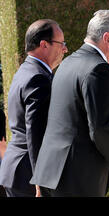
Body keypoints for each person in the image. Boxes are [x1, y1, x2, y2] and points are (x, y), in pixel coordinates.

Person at [30, 10, 109, 197]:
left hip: (50, 174)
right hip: (77, 180)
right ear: (108, 38)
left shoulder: (67, 63)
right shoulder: (99, 68)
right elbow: (101, 129)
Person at [0, 19, 68, 197]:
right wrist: (41, 177)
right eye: (62, 43)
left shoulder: (25, 71)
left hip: (18, 170)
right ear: (44, 45)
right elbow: (35, 131)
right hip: (28, 175)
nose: (65, 49)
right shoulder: (38, 78)